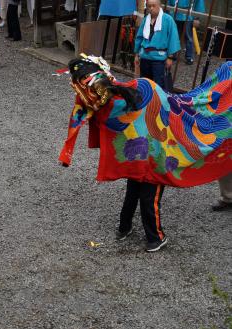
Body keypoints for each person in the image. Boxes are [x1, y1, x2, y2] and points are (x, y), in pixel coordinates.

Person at [59, 55, 231, 252]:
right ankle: (154, 237)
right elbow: (169, 111)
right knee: (150, 195)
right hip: (153, 154)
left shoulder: (108, 104)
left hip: (137, 155)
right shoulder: (141, 87)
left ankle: (124, 228)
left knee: (133, 189)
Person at [134, 0, 180, 88]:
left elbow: (173, 39)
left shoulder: (168, 20)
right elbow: (139, 37)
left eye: (153, 6)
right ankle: (146, 101)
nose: (151, 8)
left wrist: (170, 57)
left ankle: (158, 101)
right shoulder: (145, 20)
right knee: (144, 83)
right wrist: (137, 54)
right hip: (145, 56)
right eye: (149, 6)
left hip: (159, 58)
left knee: (158, 85)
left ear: (159, 5)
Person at [167, 0, 205, 65]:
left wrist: (197, 17)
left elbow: (199, 3)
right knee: (174, 36)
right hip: (175, 12)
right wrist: (168, 12)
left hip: (189, 14)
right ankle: (173, 53)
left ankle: (189, 57)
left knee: (189, 37)